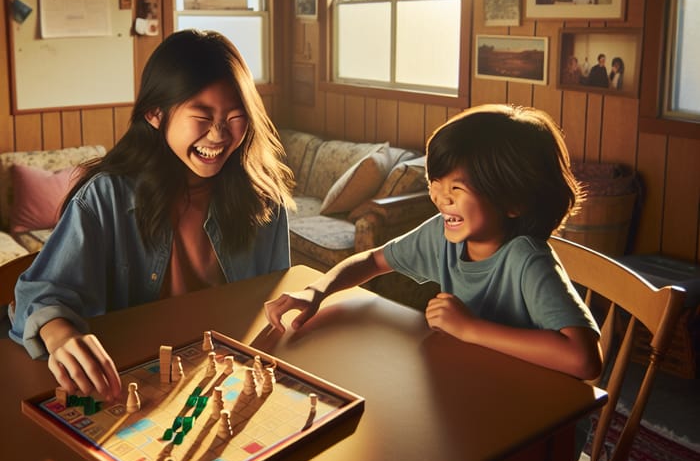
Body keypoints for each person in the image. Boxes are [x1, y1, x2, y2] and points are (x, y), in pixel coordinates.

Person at [9, 30, 295, 401]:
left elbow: (272, 306)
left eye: (235, 117)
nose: (219, 135)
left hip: (223, 379)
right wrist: (61, 335)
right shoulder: (106, 197)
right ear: (155, 114)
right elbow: (39, 293)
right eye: (202, 116)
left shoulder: (264, 199)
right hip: (128, 385)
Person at [265, 104, 603, 387]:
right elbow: (372, 261)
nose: (440, 198)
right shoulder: (442, 235)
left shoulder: (527, 260)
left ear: (513, 201)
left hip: (537, 418)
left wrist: (470, 328)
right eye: (435, 183)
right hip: (477, 388)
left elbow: (585, 359)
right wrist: (317, 291)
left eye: (457, 188)